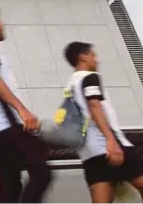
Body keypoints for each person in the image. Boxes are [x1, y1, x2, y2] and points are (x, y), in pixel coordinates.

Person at [0, 5, 53, 203]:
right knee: (41, 172)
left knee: (10, 185)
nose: (2, 24)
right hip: (2, 123)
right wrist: (21, 109)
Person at [64, 41, 143, 203]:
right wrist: (111, 140)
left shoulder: (69, 86)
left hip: (89, 152)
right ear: (83, 57)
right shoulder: (90, 77)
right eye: (93, 55)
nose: (97, 60)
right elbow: (94, 104)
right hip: (109, 145)